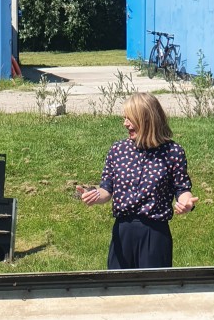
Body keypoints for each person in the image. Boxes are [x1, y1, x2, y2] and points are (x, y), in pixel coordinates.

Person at [77, 93, 198, 269]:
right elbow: (106, 189)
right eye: (124, 118)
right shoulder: (117, 150)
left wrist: (186, 202)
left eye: (130, 118)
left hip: (155, 233)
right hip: (123, 231)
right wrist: (95, 196)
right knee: (118, 290)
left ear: (148, 120)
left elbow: (182, 189)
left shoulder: (173, 152)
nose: (125, 123)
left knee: (154, 290)